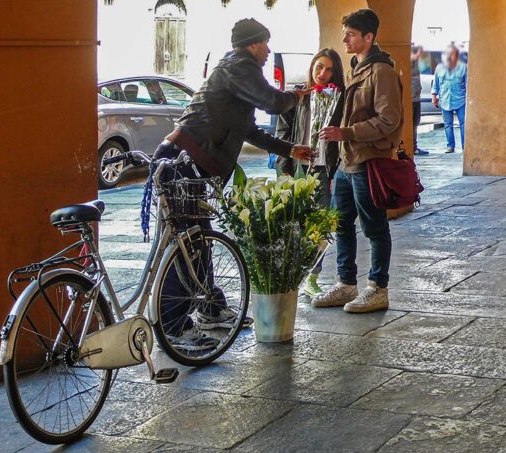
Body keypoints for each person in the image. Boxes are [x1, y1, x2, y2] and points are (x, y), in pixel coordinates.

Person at [154, 18, 312, 350]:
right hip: (184, 163)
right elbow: (271, 101)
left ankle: (211, 309)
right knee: (185, 245)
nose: (268, 51)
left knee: (197, 240)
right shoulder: (239, 65)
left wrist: (289, 150)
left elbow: (249, 130)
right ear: (252, 44)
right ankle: (174, 327)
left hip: (191, 164)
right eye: (265, 44)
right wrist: (296, 96)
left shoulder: (236, 73)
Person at [315, 8, 403, 313]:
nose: (345, 39)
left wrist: (347, 132)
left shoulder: (382, 72)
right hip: (347, 160)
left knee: (374, 227)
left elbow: (389, 119)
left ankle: (378, 288)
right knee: (340, 223)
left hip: (368, 160)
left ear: (369, 37)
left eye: (351, 34)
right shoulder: (357, 67)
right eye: (345, 33)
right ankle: (346, 283)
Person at [274, 48, 346, 297]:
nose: (322, 73)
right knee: (295, 223)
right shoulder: (298, 96)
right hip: (298, 168)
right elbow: (282, 135)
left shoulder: (340, 98)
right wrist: (283, 171)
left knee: (320, 225)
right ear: (312, 67)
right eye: (319, 67)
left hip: (325, 170)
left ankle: (312, 276)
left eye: (328, 69)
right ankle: (292, 273)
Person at [431, 45, 467, 153]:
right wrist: (434, 97)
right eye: (447, 54)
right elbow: (435, 84)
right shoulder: (439, 68)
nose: (449, 56)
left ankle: (465, 146)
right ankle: (450, 146)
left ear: (456, 56)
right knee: (447, 124)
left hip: (460, 99)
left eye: (452, 54)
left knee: (463, 123)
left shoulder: (463, 67)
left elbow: (468, 84)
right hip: (445, 100)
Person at [411, 45, 429, 156]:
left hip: (416, 97)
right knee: (412, 123)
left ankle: (414, 146)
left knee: (415, 123)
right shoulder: (410, 58)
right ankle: (412, 146)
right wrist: (418, 52)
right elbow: (412, 57)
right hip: (411, 98)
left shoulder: (416, 63)